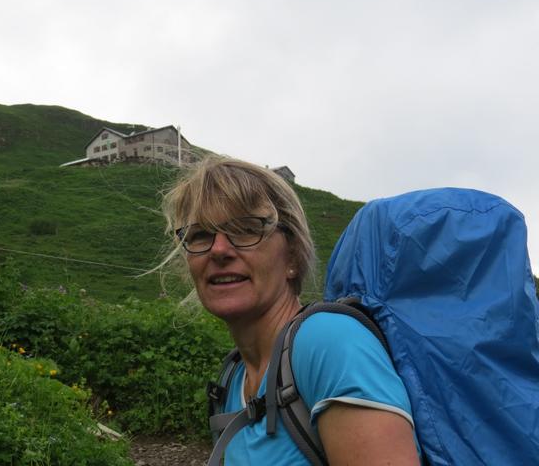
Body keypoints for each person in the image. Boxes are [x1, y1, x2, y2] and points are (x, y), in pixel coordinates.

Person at [162, 156, 420, 465]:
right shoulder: (234, 377)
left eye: (246, 229)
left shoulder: (329, 344)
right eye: (200, 235)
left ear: (293, 257)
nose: (219, 250)